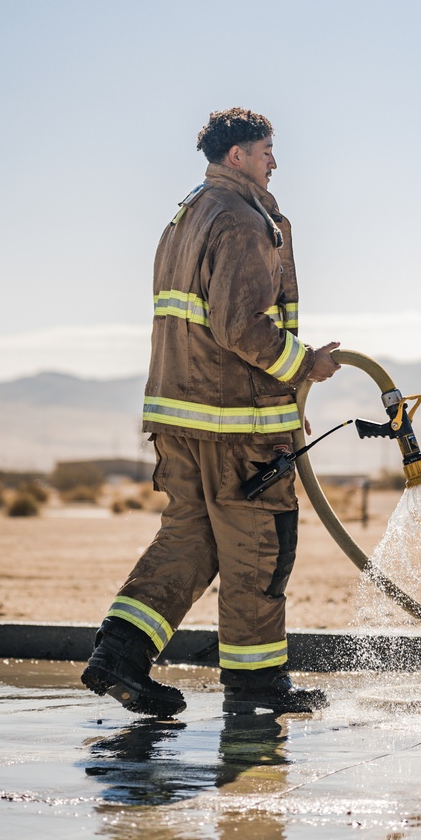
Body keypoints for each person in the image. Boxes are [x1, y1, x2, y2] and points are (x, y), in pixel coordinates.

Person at [81, 108, 341, 717]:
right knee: (258, 549)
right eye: (266, 150)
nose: (274, 161)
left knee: (190, 540)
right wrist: (303, 368)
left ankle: (118, 656)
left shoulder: (189, 214)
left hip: (184, 420)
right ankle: (257, 690)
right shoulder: (243, 221)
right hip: (235, 428)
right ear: (237, 157)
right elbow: (241, 326)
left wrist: (281, 397)